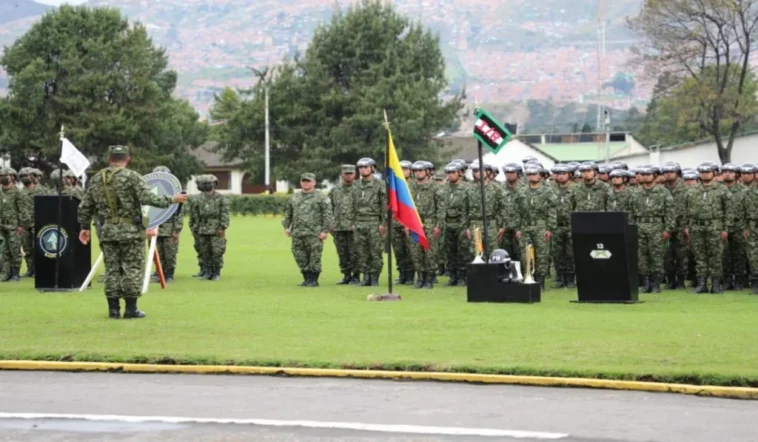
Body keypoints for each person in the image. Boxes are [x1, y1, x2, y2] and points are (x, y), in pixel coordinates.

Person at [77, 145, 187, 319]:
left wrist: (84, 227)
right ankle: (131, 308)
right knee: (132, 269)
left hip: (108, 232)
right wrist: (174, 199)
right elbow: (149, 198)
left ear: (109, 159)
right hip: (130, 232)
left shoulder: (97, 179)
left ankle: (113, 310)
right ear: (127, 158)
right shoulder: (132, 177)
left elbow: (85, 206)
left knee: (112, 270)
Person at [682, 163, 732, 294]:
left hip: (715, 226)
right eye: (702, 172)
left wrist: (725, 228)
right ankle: (702, 284)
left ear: (714, 173)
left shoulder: (722, 190)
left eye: (707, 172)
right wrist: (686, 226)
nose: (704, 174)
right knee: (700, 256)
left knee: (716, 256)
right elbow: (686, 211)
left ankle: (715, 285)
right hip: (697, 226)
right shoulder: (692, 190)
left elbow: (729, 211)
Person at [628, 166, 675, 293]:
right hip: (640, 226)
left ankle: (656, 284)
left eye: (648, 174)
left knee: (657, 256)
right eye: (643, 174)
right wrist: (632, 227)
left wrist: (668, 229)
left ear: (654, 176)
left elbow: (670, 212)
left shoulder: (663, 192)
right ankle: (646, 283)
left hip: (657, 227)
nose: (645, 176)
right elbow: (630, 212)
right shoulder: (636, 192)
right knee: (642, 257)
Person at [283, 173, 333, 287]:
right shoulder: (294, 197)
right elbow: (288, 213)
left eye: (308, 181)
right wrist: (287, 227)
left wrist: (325, 231)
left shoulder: (321, 197)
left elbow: (328, 215)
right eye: (304, 181)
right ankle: (306, 278)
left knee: (314, 256)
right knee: (299, 254)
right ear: (300, 182)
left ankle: (314, 279)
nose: (306, 183)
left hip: (314, 233)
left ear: (314, 182)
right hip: (297, 232)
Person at [515, 166, 557, 289]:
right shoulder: (522, 191)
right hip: (525, 226)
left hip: (541, 225)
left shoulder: (548, 191)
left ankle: (540, 281)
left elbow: (552, 211)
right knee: (526, 254)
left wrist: (550, 228)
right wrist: (518, 228)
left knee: (542, 255)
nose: (531, 176)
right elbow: (517, 211)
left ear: (540, 176)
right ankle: (528, 277)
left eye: (534, 174)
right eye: (529, 174)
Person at [191, 174, 230, 281]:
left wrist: (222, 228)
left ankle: (216, 272)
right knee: (205, 251)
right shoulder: (198, 199)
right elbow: (195, 215)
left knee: (217, 251)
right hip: (202, 228)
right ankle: (207, 272)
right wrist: (195, 228)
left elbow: (224, 214)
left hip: (216, 229)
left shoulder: (221, 198)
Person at [354, 158, 386, 287]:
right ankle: (366, 276)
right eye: (360, 167)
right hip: (359, 222)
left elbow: (385, 205)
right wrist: (353, 222)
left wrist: (383, 224)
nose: (362, 169)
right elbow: (352, 205)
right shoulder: (356, 185)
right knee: (362, 252)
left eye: (366, 167)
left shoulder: (380, 184)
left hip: (374, 223)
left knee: (375, 252)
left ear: (372, 168)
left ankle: (374, 277)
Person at [409, 161, 441, 288]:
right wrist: (407, 224)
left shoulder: (435, 187)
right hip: (414, 224)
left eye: (420, 170)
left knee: (430, 252)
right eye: (415, 171)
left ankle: (429, 278)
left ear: (427, 172)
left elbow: (440, 207)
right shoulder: (410, 187)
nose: (418, 173)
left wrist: (438, 225)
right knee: (416, 252)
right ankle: (420, 277)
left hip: (430, 223)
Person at [439, 162, 471, 286]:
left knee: (462, 252)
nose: (450, 175)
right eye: (448, 173)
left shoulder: (467, 188)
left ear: (460, 173)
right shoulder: (444, 189)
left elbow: (468, 208)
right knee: (449, 252)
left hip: (461, 224)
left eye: (453, 172)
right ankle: (452, 277)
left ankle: (463, 277)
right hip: (448, 224)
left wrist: (466, 225)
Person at [151, 166, 183, 283]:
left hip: (169, 230)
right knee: (157, 253)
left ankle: (169, 274)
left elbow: (178, 214)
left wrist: (176, 231)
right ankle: (159, 272)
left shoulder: (175, 195)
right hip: (155, 229)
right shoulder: (152, 194)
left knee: (170, 253)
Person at [329, 165, 359, 285]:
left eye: (351, 173)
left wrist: (357, 223)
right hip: (339, 227)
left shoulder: (359, 188)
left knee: (355, 252)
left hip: (354, 227)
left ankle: (356, 276)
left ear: (355, 174)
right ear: (342, 174)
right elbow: (329, 208)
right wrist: (330, 223)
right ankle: (346, 275)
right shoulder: (335, 190)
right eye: (346, 173)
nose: (348, 175)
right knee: (342, 252)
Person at [720, 163, 747, 290]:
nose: (728, 173)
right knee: (724, 255)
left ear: (736, 174)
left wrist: (746, 228)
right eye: (725, 171)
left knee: (739, 255)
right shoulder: (717, 190)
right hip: (721, 226)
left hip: (739, 225)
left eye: (731, 171)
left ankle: (739, 281)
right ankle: (727, 281)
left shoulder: (744, 191)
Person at [662, 163, 688, 289]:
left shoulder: (686, 188)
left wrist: (687, 226)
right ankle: (670, 280)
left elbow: (691, 208)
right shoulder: (660, 188)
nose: (668, 174)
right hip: (665, 226)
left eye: (671, 172)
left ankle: (681, 281)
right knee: (667, 255)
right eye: (666, 172)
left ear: (677, 173)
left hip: (681, 226)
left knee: (681, 255)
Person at [0, 168, 28, 282]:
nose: (3, 177)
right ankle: (8, 272)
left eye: (6, 175)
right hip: (2, 226)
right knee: (5, 251)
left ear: (12, 177)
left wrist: (21, 225)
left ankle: (16, 274)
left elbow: (22, 210)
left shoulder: (17, 192)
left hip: (14, 226)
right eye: (1, 175)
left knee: (15, 249)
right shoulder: (0, 192)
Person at [550, 164, 575, 288]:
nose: (561, 176)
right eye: (559, 174)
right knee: (557, 253)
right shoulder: (551, 190)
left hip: (570, 225)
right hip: (556, 225)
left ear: (569, 175)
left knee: (570, 252)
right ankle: (560, 277)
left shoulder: (575, 189)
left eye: (564, 174)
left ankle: (570, 278)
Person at [18, 167, 46, 278]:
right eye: (22, 176)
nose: (25, 178)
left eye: (27, 175)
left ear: (32, 176)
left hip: (38, 224)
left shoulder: (41, 190)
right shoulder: (20, 193)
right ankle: (30, 270)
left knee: (38, 248)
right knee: (27, 249)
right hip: (24, 225)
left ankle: (40, 270)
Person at [391, 160, 415, 284]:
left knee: (410, 250)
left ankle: (410, 275)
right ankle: (402, 274)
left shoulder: (414, 186)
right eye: (400, 169)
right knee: (399, 251)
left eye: (405, 169)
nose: (403, 171)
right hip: (395, 223)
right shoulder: (393, 186)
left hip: (409, 223)